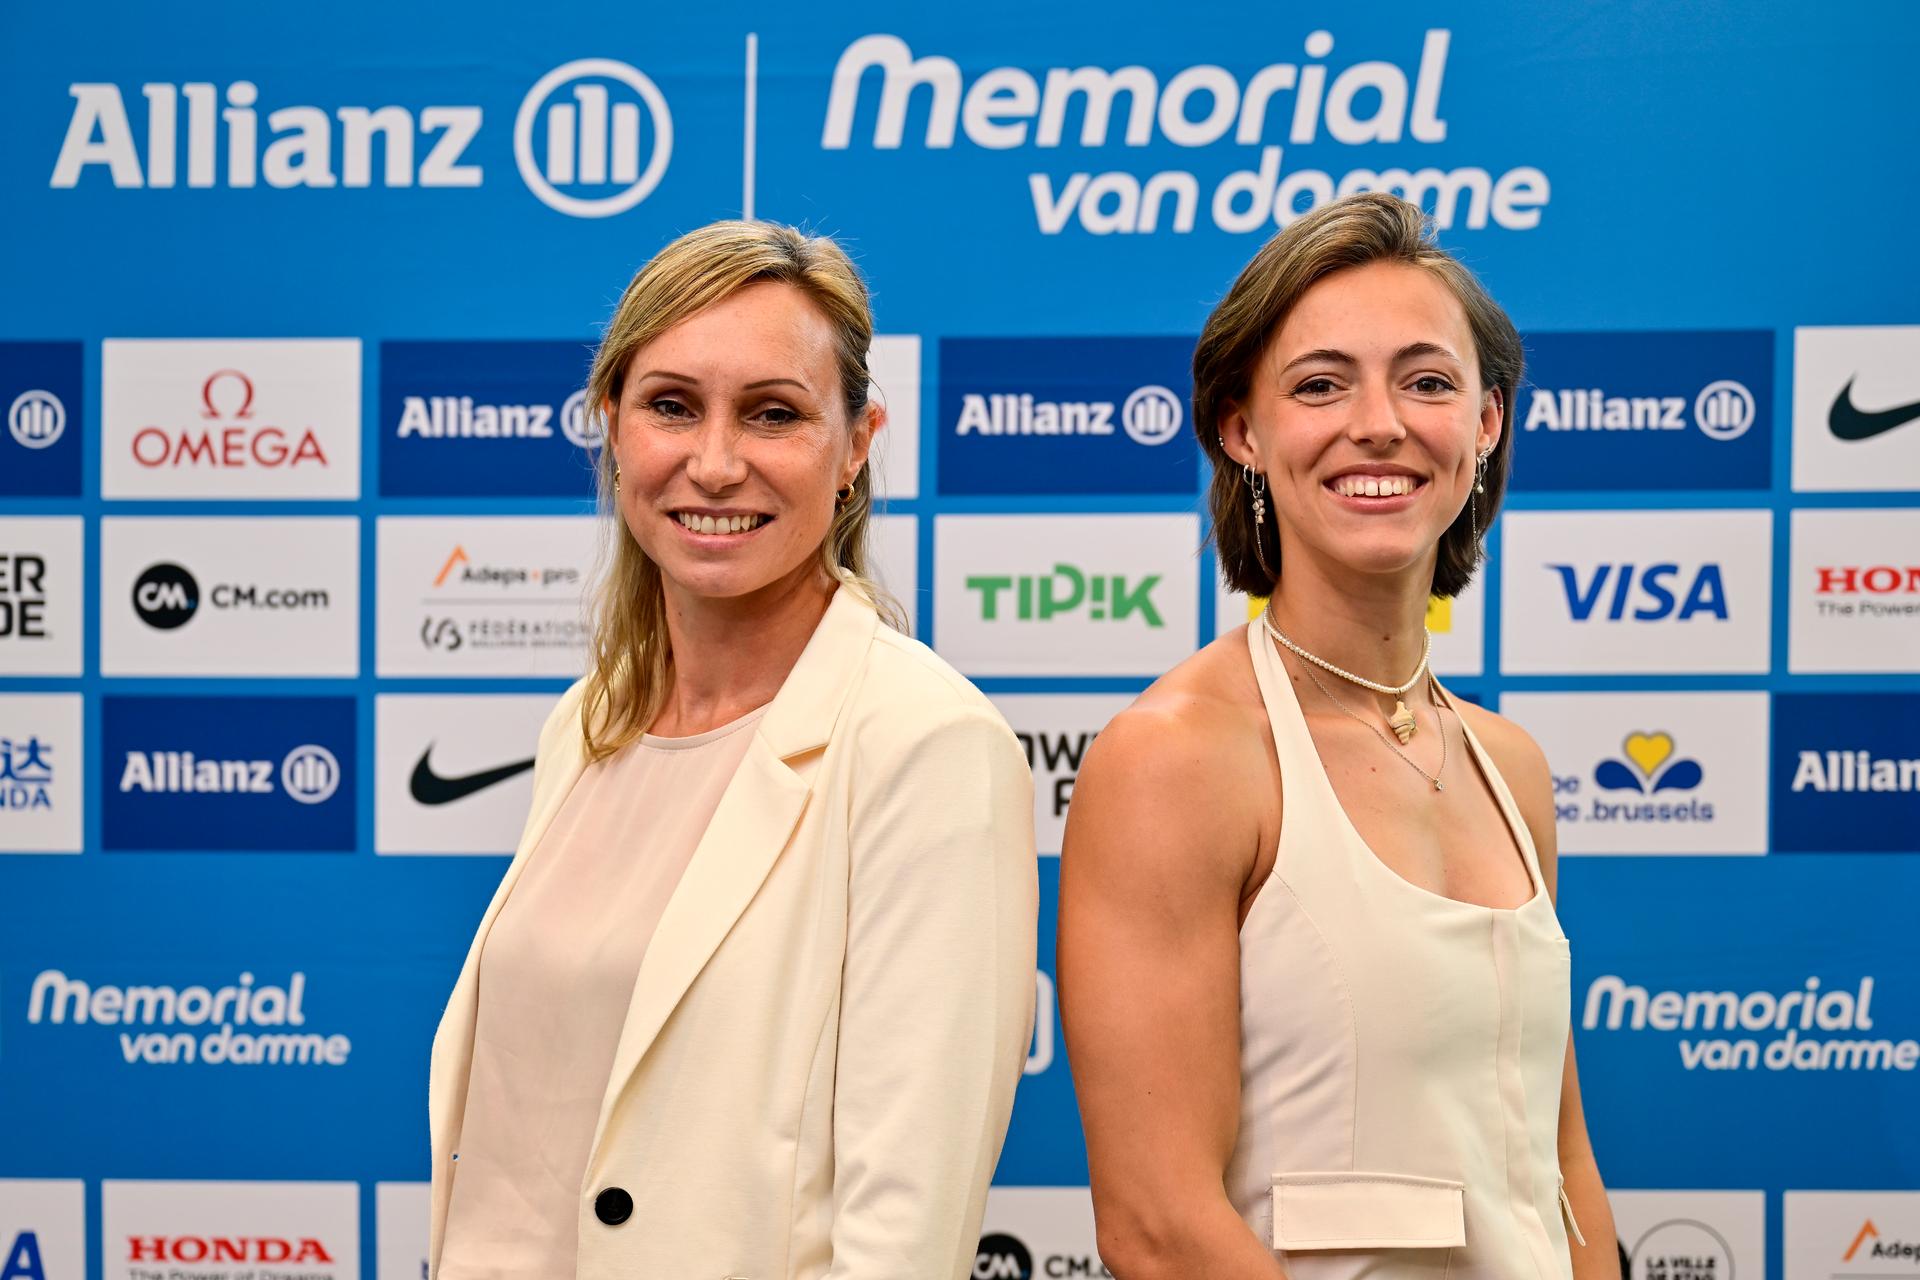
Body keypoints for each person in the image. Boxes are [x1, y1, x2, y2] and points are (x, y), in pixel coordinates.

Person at [426, 221, 1038, 1280]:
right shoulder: (588, 723)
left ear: (857, 444)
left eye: (773, 413)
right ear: (612, 427)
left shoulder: (925, 744)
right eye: (671, 406)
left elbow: (904, 1231)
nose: (714, 464)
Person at [1058, 192, 1618, 1279]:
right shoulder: (1174, 756)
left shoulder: (1510, 767)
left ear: (1487, 423)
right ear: (1242, 430)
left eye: (1427, 382)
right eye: (1321, 384)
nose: (1380, 424)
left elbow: (1562, 1168)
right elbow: (1157, 1224)